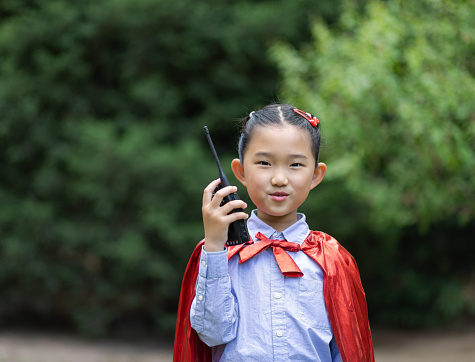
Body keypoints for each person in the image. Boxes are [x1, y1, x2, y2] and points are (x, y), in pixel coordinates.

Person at [174, 104, 374, 362]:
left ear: (316, 175)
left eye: (295, 165)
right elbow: (211, 334)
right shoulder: (218, 254)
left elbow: (347, 351)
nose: (279, 178)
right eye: (265, 163)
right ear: (240, 172)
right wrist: (214, 245)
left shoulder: (333, 260)